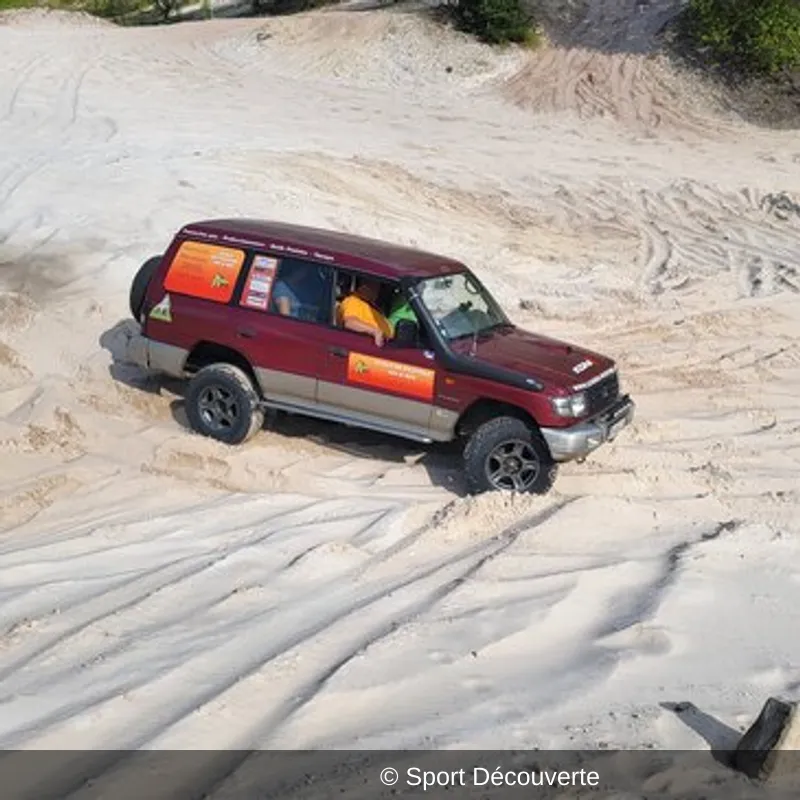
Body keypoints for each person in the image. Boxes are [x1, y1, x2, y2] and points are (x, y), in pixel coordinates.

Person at [339, 278, 393, 347]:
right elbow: (350, 322)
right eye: (372, 284)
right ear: (362, 285)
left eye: (378, 286)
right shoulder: (354, 301)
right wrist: (375, 331)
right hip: (364, 350)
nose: (376, 289)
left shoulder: (375, 309)